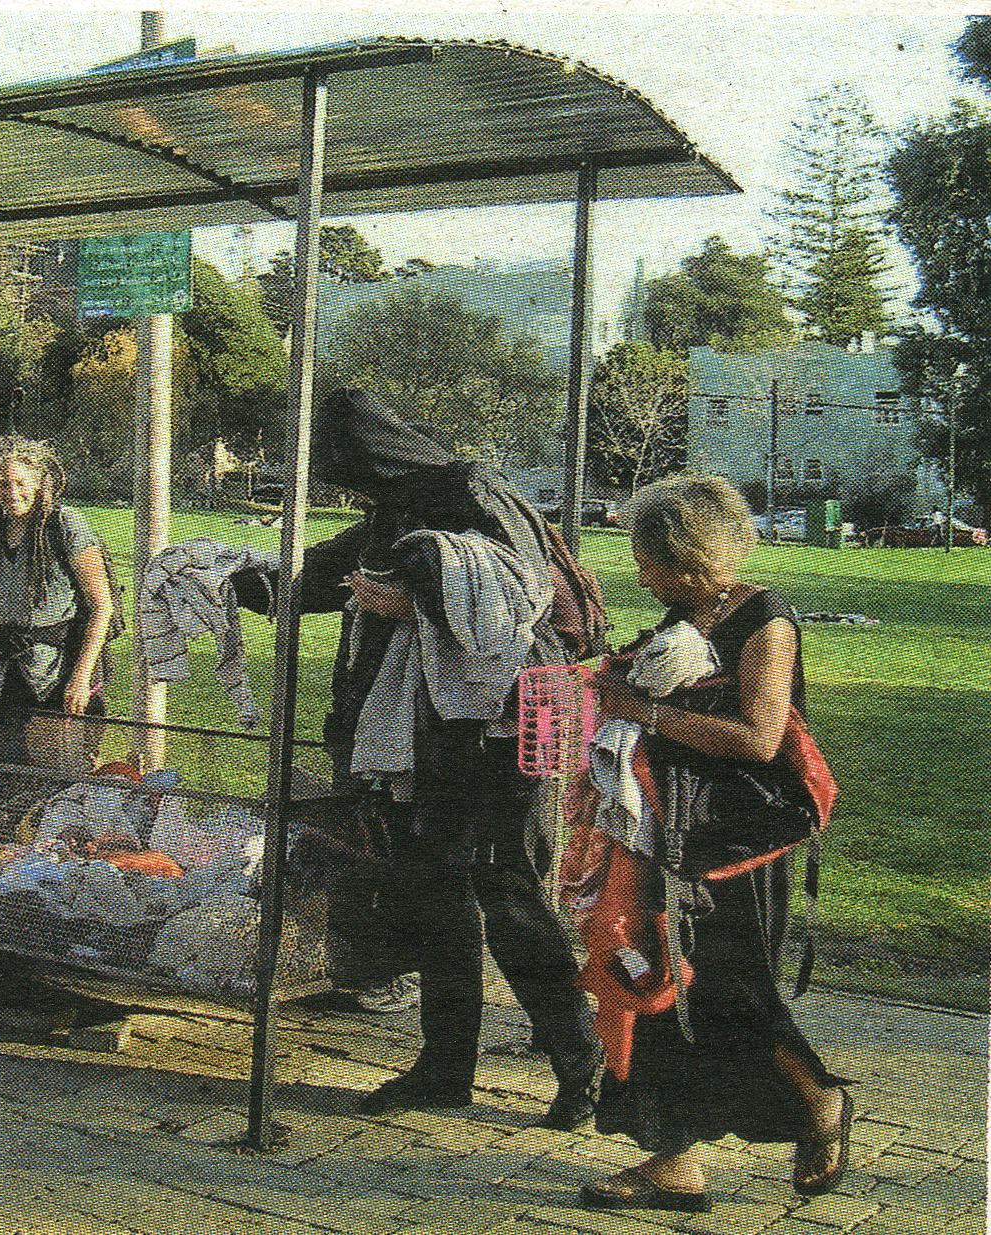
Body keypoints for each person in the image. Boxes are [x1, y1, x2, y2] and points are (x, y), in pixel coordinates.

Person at [234, 389, 601, 1128]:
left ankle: (584, 1064)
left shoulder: (471, 491)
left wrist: (418, 596)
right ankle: (444, 1067)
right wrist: (232, 581)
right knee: (437, 899)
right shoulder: (394, 507)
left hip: (498, 732)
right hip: (428, 745)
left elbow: (512, 598)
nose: (342, 483)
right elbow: (329, 574)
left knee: (510, 896)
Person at [579, 475, 850, 1212]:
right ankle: (673, 1162)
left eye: (647, 560)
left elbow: (759, 740)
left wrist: (644, 710)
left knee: (729, 988)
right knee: (659, 986)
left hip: (734, 838)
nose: (638, 573)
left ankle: (818, 1100)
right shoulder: (690, 609)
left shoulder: (765, 618)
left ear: (690, 560)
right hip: (674, 828)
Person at [0, 436, 115, 785]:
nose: (11, 492)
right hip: (0, 674)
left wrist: (81, 677)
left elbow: (101, 606)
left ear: (39, 484)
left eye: (21, 483)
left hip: (53, 674)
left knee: (49, 783)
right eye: (3, 483)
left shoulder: (64, 526)